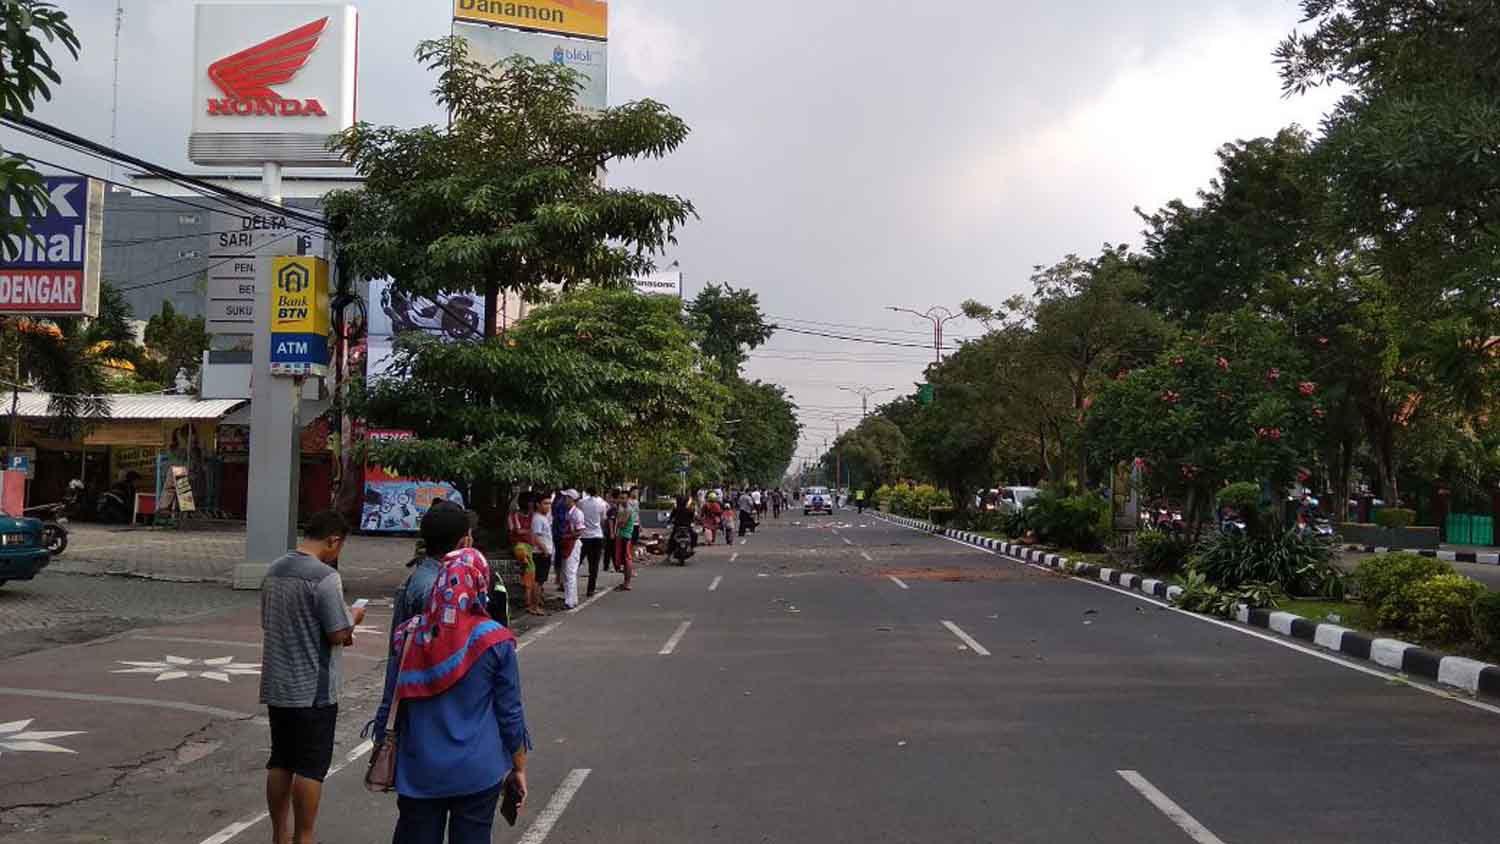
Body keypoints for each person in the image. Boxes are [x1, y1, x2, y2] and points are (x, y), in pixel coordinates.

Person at [372, 547, 531, 844]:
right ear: (480, 585)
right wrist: (518, 767)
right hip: (478, 771)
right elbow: (510, 713)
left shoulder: (409, 636)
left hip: (419, 769)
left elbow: (389, 701)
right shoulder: (496, 640)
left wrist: (382, 744)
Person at [260, 511, 363, 844]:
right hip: (313, 690)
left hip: (278, 685)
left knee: (280, 759)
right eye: (339, 547)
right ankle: (304, 837)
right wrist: (354, 618)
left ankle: (280, 836)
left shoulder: (274, 570)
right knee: (310, 767)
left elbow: (267, 621)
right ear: (333, 540)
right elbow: (337, 633)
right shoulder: (325, 577)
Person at [509, 494, 544, 617]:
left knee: (531, 575)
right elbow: (517, 531)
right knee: (530, 574)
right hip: (521, 546)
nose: (532, 505)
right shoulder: (515, 515)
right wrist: (530, 531)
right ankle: (529, 604)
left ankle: (531, 602)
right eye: (531, 502)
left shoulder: (532, 516)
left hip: (530, 547)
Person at [577, 488, 608, 598]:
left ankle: (568, 585)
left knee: (577, 562)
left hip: (584, 536)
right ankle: (591, 589)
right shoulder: (602, 504)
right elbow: (603, 520)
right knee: (594, 565)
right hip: (597, 536)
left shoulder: (581, 503)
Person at [558, 489, 585, 609]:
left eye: (566, 497)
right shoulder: (568, 512)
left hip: (573, 544)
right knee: (567, 572)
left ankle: (570, 601)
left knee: (570, 573)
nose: (564, 500)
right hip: (568, 544)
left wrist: (566, 536)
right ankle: (571, 599)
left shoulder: (577, 513)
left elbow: (580, 531)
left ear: (571, 499)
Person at [531, 495, 555, 604]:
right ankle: (534, 606)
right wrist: (544, 550)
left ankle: (538, 602)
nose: (548, 506)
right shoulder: (537, 519)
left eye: (549, 503)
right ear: (538, 505)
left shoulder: (543, 517)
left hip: (544, 552)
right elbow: (535, 537)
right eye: (545, 503)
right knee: (538, 581)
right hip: (540, 553)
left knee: (540, 581)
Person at [615, 487, 639, 591]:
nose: (622, 500)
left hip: (626, 537)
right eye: (621, 498)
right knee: (624, 561)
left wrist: (620, 520)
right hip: (622, 537)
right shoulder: (623, 509)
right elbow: (619, 522)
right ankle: (625, 582)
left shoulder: (628, 509)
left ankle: (627, 583)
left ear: (628, 499)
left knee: (627, 560)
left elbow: (621, 524)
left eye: (624, 498)